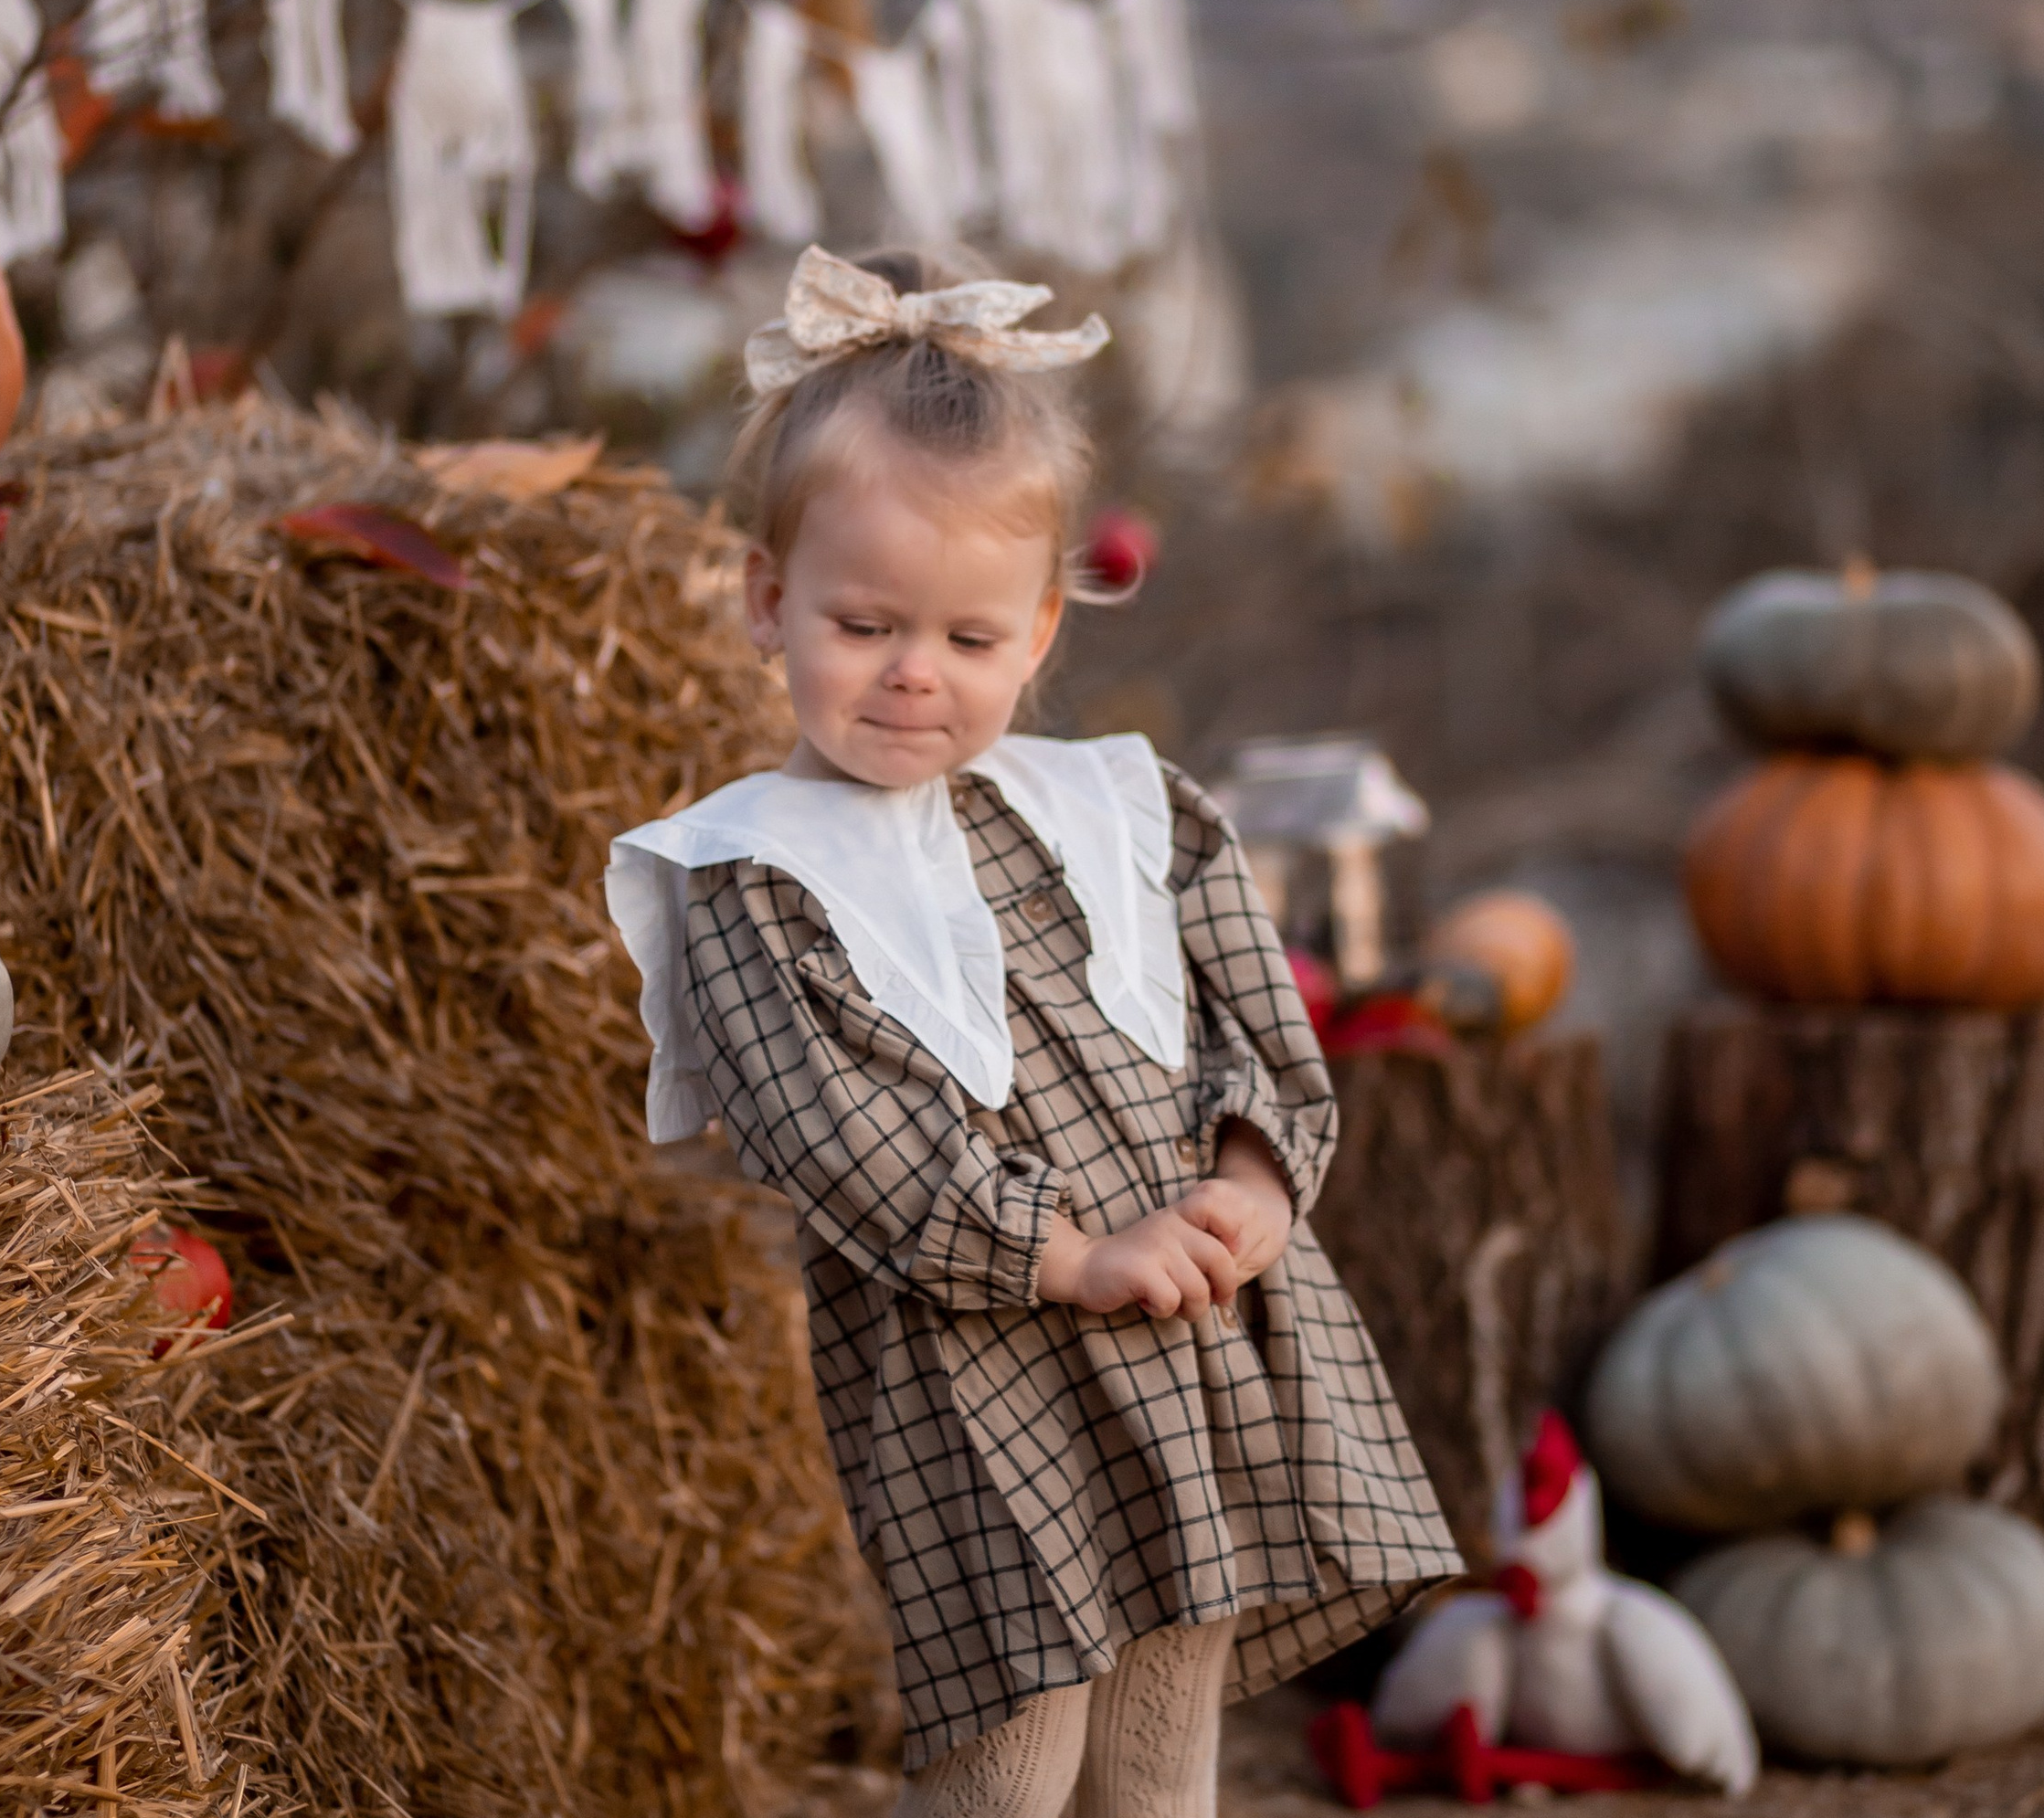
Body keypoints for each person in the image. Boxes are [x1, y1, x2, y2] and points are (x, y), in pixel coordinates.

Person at [607, 245, 1458, 1817]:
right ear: (766, 599)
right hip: (975, 1347)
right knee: (1021, 1724)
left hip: (1195, 1312)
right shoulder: (749, 874)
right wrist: (1068, 1255)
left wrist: (1255, 1186)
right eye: (864, 626)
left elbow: (1250, 1002)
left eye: (971, 641)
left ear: (1044, 630)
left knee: (1169, 1693)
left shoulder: (1125, 807)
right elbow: (824, 1129)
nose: (915, 675)